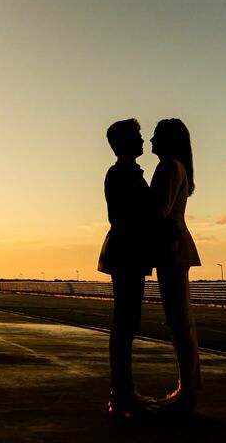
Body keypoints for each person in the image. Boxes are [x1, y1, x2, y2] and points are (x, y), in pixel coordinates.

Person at [98, 118, 154, 418]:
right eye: (137, 136)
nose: (142, 140)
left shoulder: (127, 171)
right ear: (123, 142)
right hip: (126, 254)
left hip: (128, 253)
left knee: (128, 323)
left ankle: (124, 391)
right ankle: (121, 394)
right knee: (124, 324)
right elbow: (125, 216)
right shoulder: (121, 173)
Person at [149, 118, 201, 413]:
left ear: (168, 140)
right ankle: (187, 389)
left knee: (179, 324)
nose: (151, 140)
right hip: (175, 248)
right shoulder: (177, 166)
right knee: (181, 323)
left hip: (172, 249)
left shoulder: (168, 166)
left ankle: (186, 392)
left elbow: (158, 211)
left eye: (156, 135)